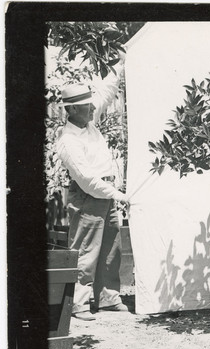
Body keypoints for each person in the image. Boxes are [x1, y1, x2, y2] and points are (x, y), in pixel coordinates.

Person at [56, 54, 129, 321]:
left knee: (111, 248)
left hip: (105, 193)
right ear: (71, 110)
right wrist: (120, 194)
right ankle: (79, 304)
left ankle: (108, 298)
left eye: (89, 104)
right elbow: (87, 180)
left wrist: (120, 64)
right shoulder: (68, 141)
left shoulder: (87, 122)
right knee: (86, 251)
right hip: (88, 196)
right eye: (86, 106)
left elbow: (107, 92)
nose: (91, 109)